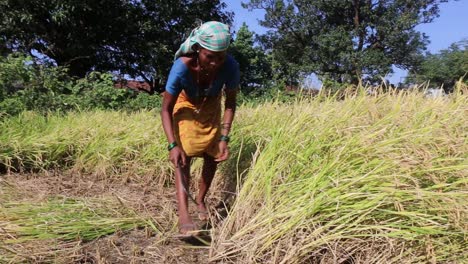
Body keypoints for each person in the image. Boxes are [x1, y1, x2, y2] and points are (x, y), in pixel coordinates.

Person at [160, 21, 239, 236]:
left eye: (220, 57)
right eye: (209, 56)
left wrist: (224, 137)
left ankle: (201, 200)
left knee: (213, 155)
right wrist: (172, 145)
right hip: (185, 103)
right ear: (198, 50)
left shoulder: (230, 66)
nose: (215, 63)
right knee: (183, 156)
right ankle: (184, 215)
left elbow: (230, 103)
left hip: (211, 104)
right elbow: (166, 109)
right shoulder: (181, 67)